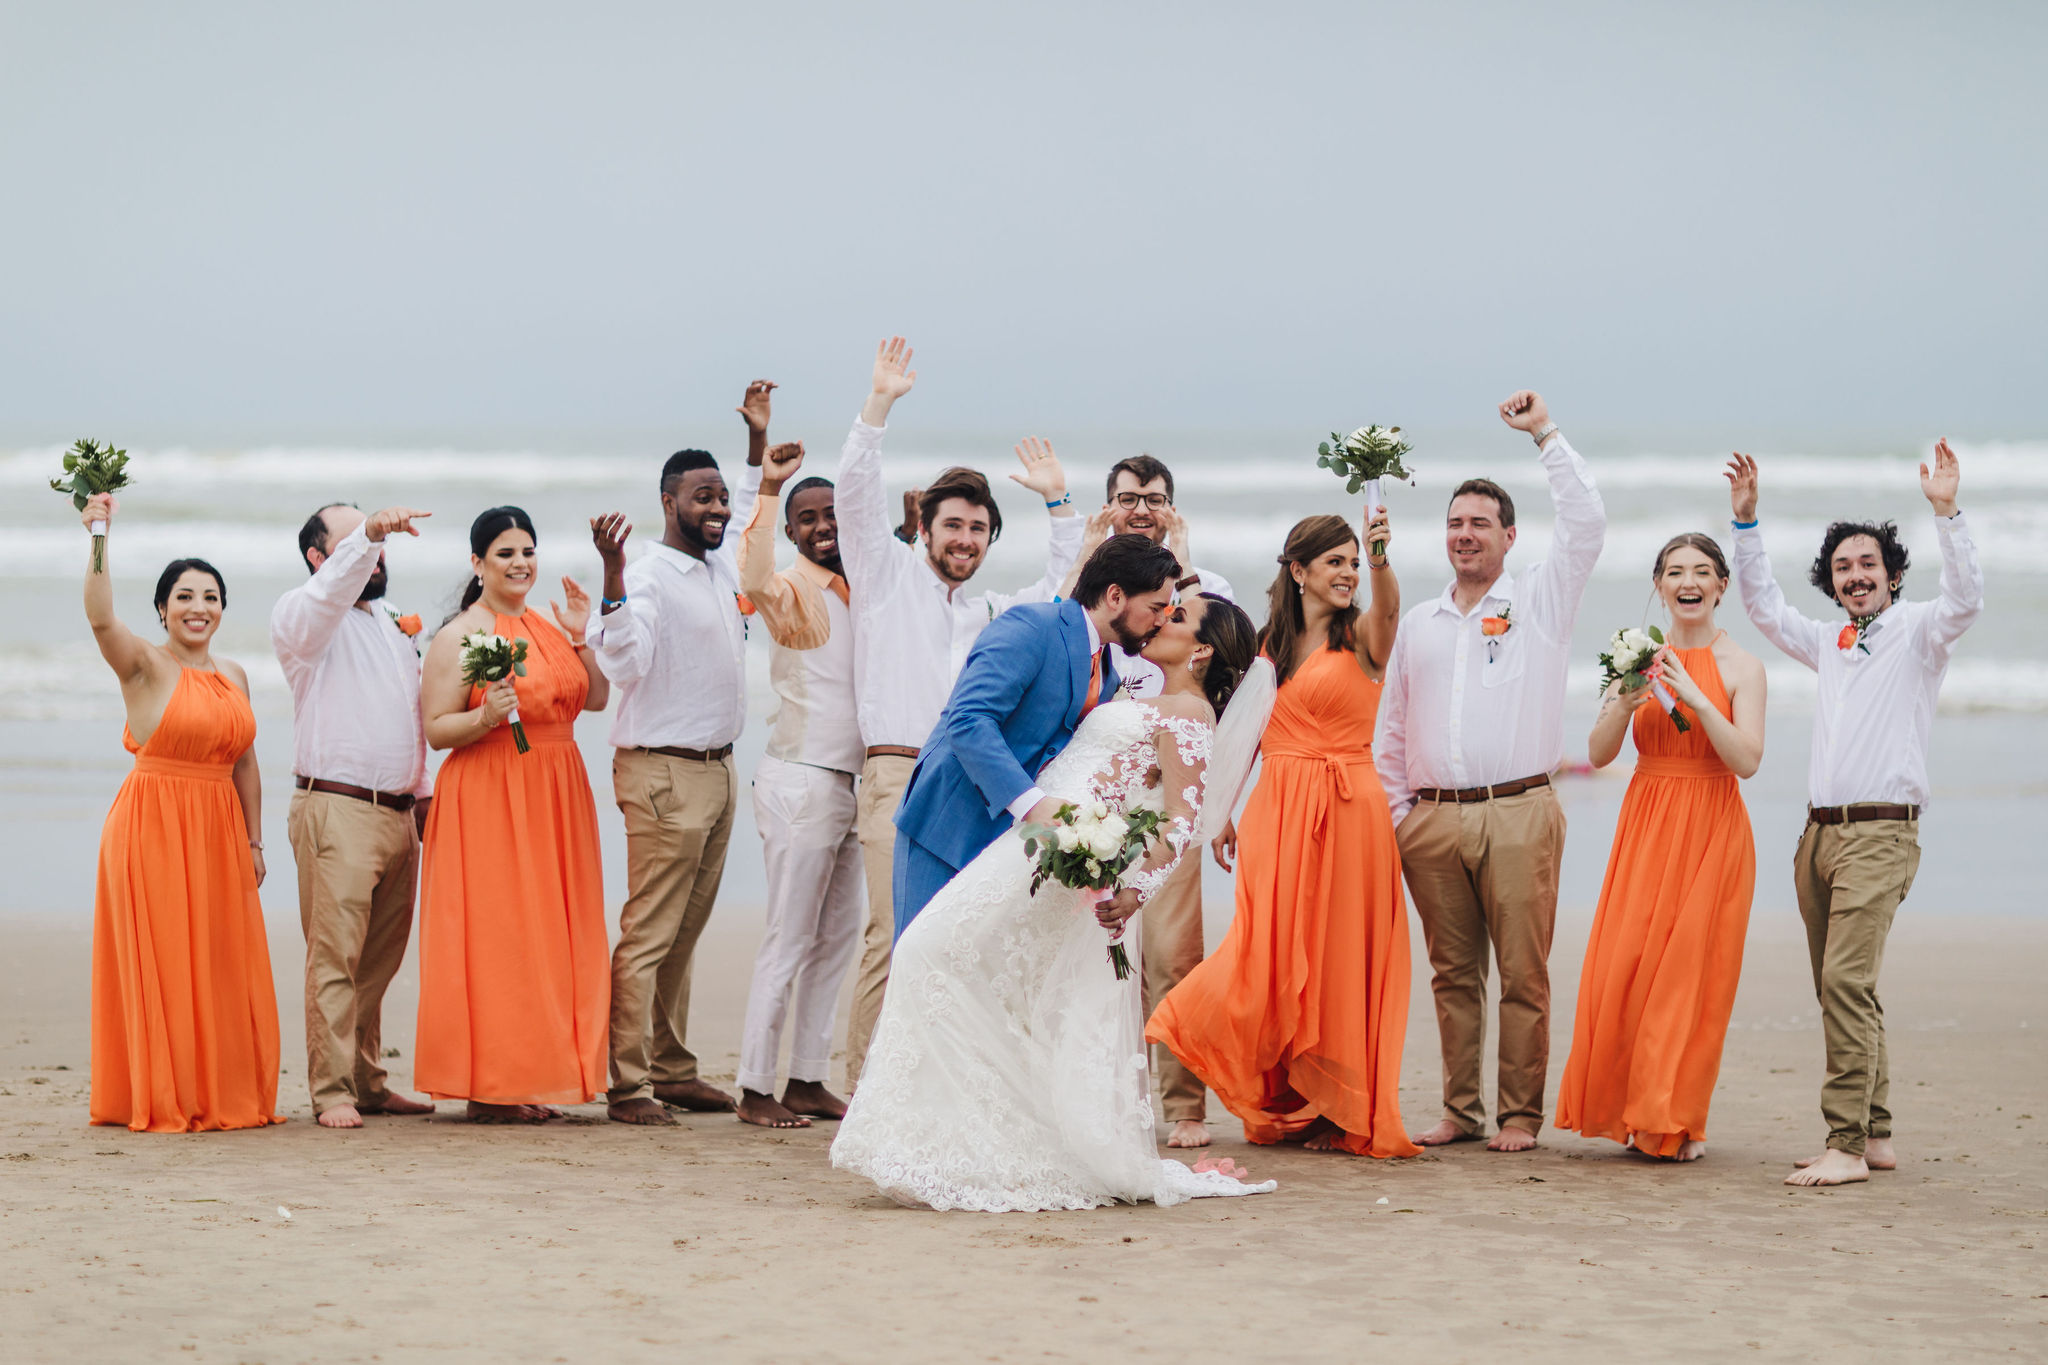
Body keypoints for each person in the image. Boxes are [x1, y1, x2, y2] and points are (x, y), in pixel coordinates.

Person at [832, 592, 1275, 1210]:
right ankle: (961, 1140)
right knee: (963, 972)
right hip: (1030, 845)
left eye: (1178, 616)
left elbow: (1179, 823)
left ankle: (975, 1145)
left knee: (929, 954)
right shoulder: (1142, 692)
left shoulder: (1190, 716)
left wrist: (1133, 889)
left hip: (1060, 864)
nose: (1163, 618)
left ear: (1201, 649)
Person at [1727, 440, 1981, 1187]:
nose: (1856, 575)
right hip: (1819, 836)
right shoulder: (1830, 641)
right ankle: (1875, 1132)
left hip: (1882, 831)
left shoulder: (1921, 632)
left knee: (1843, 981)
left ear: (1892, 575)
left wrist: (1947, 512)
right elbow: (1766, 608)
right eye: (1843, 568)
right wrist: (1746, 527)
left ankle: (1844, 1142)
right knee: (1846, 986)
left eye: (1868, 564)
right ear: (1833, 584)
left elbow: (1966, 599)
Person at [835, 338, 1084, 1091]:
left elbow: (1060, 595)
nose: (964, 540)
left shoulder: (993, 614)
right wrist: (878, 405)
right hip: (895, 773)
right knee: (892, 934)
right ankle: (868, 1090)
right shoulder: (884, 579)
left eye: (978, 530)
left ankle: (942, 1082)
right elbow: (853, 497)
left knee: (961, 935)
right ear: (926, 526)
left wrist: (1059, 503)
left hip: (974, 785)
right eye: (952, 525)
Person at [1148, 507, 1419, 1158]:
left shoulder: (1364, 637)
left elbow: (1390, 611)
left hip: (1350, 810)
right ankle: (1282, 1096)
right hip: (1277, 811)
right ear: (1298, 571)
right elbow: (1242, 727)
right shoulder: (1268, 643)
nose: (1348, 573)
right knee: (1266, 950)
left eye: (1353, 562)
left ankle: (1336, 1109)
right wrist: (1221, 813)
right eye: (1337, 561)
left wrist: (1381, 559)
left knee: (1338, 960)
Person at [1377, 390, 1606, 1153]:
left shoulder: (1542, 596)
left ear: (1509, 536)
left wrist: (1544, 434)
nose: (1464, 534)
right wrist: (1399, 813)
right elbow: (1393, 725)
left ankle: (1517, 1115)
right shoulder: (1420, 622)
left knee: (1522, 972)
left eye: (1479, 523)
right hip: (1433, 818)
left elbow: (1586, 525)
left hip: (1519, 811)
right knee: (1452, 975)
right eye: (1454, 523)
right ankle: (1459, 1109)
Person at [585, 384, 770, 1123]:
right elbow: (624, 663)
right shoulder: (651, 575)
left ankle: (672, 1065)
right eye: (702, 497)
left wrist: (756, 445)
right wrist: (611, 575)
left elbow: (755, 510)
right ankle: (627, 1083)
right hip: (662, 772)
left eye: (720, 494)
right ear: (670, 503)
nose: (718, 507)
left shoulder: (720, 566)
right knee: (650, 931)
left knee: (686, 932)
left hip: (718, 769)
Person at [1554, 533, 1765, 1162]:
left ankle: (1673, 1121)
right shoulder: (1638, 657)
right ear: (1659, 585)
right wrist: (1623, 700)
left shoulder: (1742, 668)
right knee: (1629, 971)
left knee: (1689, 983)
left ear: (1722, 586)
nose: (1688, 581)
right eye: (1674, 572)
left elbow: (1748, 761)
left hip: (1711, 826)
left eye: (1702, 571)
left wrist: (1699, 698)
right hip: (1647, 823)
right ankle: (1628, 1110)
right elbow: (1596, 754)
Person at [77, 492, 282, 1132]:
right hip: (153, 826)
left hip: (220, 828)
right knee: (165, 959)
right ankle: (166, 1092)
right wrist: (99, 534)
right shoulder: (143, 664)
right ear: (163, 609)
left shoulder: (236, 675)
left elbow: (245, 761)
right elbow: (102, 618)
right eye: (185, 597)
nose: (199, 609)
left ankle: (218, 1090)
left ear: (222, 608)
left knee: (219, 961)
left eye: (211, 597)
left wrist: (254, 843)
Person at [414, 506, 611, 1123]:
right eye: (505, 553)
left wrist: (581, 634)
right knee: (500, 932)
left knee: (549, 931)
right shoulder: (459, 635)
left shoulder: (548, 628)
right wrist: (485, 718)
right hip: (491, 791)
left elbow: (596, 698)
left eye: (528, 551)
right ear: (477, 564)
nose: (521, 562)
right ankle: (490, 1087)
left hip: (557, 788)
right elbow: (436, 730)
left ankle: (532, 1073)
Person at [1068, 453, 1236, 1147]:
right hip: (1102, 792)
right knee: (1101, 957)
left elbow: (1222, 664)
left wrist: (1185, 558)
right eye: (1129, 498)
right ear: (1109, 505)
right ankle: (1114, 1100)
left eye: (1157, 500)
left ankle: (1185, 1106)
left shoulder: (1203, 588)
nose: (1143, 509)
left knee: (1173, 954)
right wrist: (1085, 552)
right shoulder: (1098, 588)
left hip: (1173, 789)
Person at [893, 533, 1181, 934]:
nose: (1161, 619)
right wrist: (1034, 806)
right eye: (1155, 607)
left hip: (1009, 847)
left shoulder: (1109, 667)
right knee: (920, 966)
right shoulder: (1031, 625)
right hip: (947, 826)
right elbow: (969, 720)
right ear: (1115, 596)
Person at [272, 501, 439, 1129]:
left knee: (380, 962)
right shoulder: (302, 615)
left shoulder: (398, 622)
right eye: (353, 544)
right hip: (335, 809)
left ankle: (369, 1081)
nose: (375, 554)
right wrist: (366, 534)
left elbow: (411, 713)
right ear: (320, 558)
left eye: (379, 543)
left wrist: (422, 793)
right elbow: (328, 597)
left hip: (398, 813)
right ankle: (332, 1089)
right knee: (335, 958)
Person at [732, 438, 862, 1130]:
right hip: (800, 777)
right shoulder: (786, 588)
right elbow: (750, 578)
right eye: (807, 517)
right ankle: (755, 1084)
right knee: (788, 936)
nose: (823, 526)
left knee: (836, 937)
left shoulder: (859, 587)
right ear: (792, 530)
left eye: (832, 513)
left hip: (850, 784)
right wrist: (768, 489)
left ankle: (808, 1076)